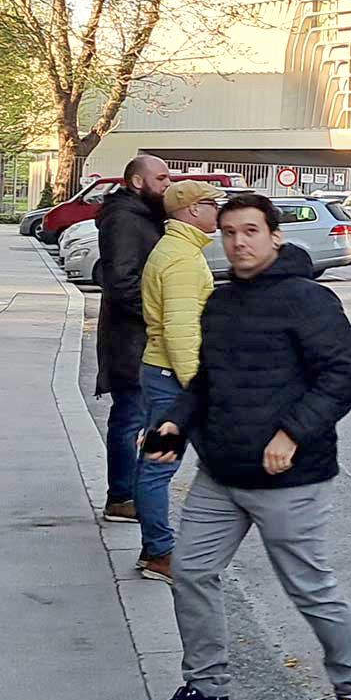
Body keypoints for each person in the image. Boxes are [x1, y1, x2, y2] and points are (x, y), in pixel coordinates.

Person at [132, 194, 351, 700]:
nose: (239, 242)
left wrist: (292, 432)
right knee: (191, 573)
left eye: (250, 231)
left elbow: (344, 374)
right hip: (221, 474)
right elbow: (205, 385)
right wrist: (174, 425)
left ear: (274, 236)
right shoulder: (221, 304)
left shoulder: (309, 300)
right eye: (228, 232)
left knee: (309, 589)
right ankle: (206, 687)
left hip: (290, 477)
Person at [135, 179, 222, 581]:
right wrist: (196, 386)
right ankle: (158, 552)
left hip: (161, 371)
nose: (217, 210)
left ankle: (159, 547)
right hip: (171, 376)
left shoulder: (178, 250)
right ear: (191, 210)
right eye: (211, 203)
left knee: (157, 459)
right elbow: (181, 330)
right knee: (159, 463)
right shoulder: (183, 260)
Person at [94, 155, 170, 524]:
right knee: (130, 416)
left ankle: (135, 493)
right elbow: (122, 280)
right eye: (162, 177)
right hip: (132, 340)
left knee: (144, 416)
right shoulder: (125, 219)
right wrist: (158, 317)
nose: (168, 184)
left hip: (139, 337)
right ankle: (122, 496)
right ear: (138, 182)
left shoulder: (141, 216)